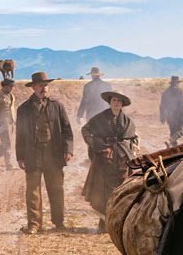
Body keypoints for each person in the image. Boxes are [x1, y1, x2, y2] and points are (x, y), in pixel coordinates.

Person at [14, 72, 74, 233]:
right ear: (33, 87)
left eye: (46, 85)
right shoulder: (23, 109)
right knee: (33, 191)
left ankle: (59, 222)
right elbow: (20, 134)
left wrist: (68, 149)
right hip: (32, 153)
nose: (44, 88)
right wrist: (20, 156)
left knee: (56, 189)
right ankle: (34, 224)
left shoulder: (57, 106)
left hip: (53, 154)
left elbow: (67, 129)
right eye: (41, 85)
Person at [81, 90, 139, 225]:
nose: (116, 103)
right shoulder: (100, 118)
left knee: (122, 189)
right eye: (114, 100)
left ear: (122, 104)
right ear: (110, 102)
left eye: (119, 101)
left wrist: (131, 150)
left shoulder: (128, 121)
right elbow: (85, 130)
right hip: (104, 159)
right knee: (102, 190)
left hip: (122, 160)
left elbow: (134, 138)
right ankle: (103, 222)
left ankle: (118, 221)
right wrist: (95, 144)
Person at [159, 75, 183, 144]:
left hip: (169, 115)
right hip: (179, 115)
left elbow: (162, 105)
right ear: (177, 83)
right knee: (180, 131)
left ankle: (173, 147)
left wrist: (162, 116)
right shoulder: (180, 91)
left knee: (172, 132)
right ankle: (170, 141)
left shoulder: (166, 92)